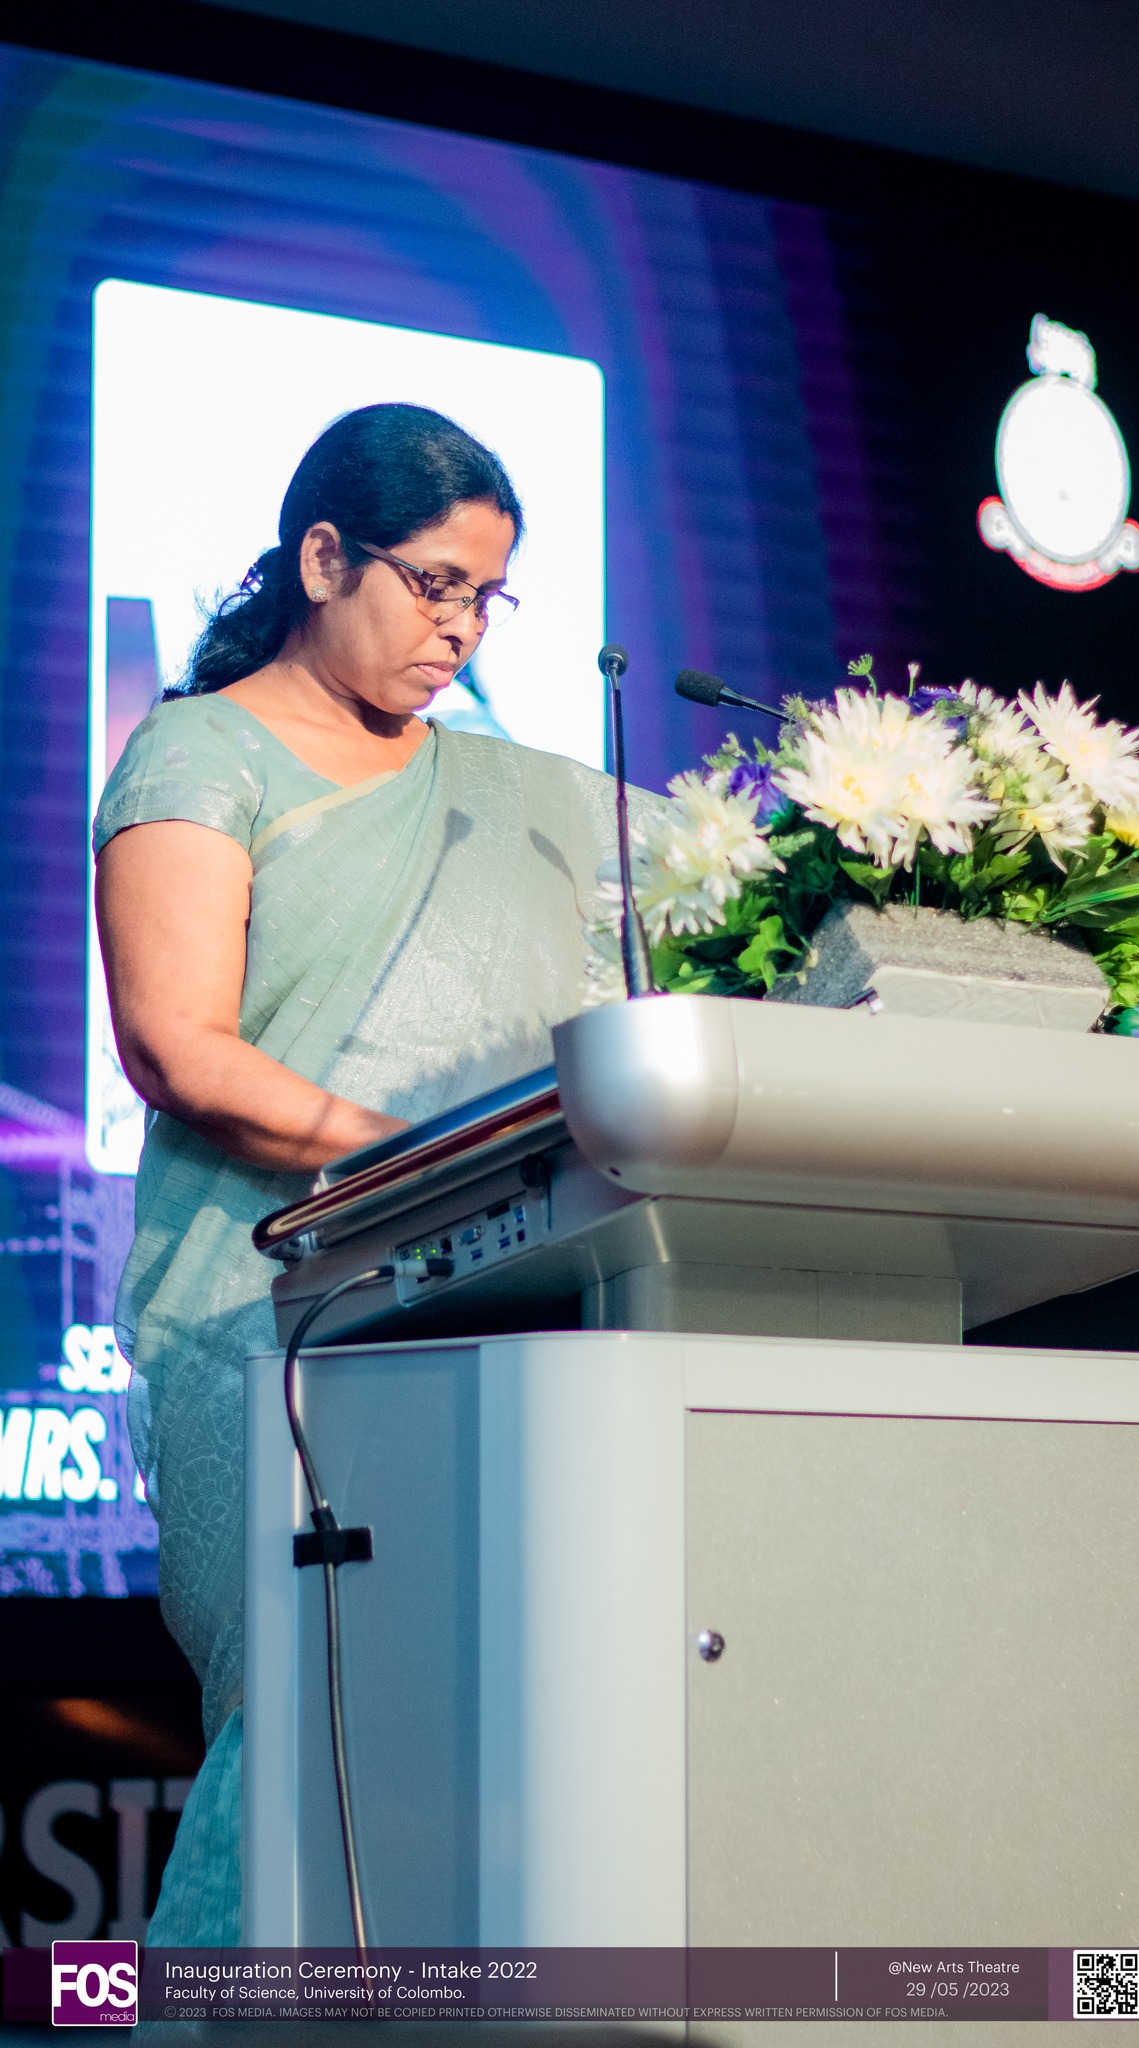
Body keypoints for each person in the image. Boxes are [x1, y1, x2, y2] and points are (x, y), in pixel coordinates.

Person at [95, 403, 625, 1944]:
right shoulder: (200, 752)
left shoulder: (511, 796)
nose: (460, 629)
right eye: (433, 584)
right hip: (267, 1329)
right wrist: (425, 1164)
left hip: (490, 1308)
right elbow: (179, 1050)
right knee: (302, 1731)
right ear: (323, 558)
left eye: (487, 597)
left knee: (473, 1743)